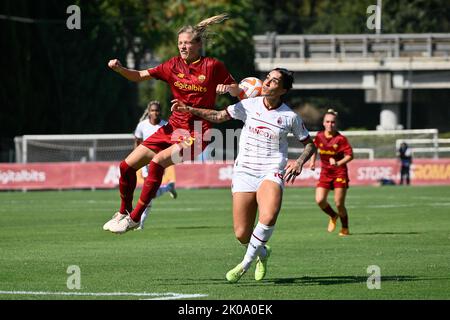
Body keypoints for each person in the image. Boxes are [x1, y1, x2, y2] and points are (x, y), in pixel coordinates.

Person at [171, 68, 316, 283]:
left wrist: (300, 161)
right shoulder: (249, 105)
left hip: (271, 170)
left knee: (267, 217)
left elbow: (309, 145)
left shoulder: (290, 117)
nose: (267, 82)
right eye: (268, 78)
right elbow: (219, 116)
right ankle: (263, 253)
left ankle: (244, 265)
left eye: (274, 81)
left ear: (283, 89)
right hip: (244, 171)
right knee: (241, 234)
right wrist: (189, 109)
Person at [104, 14, 240, 233]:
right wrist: (120, 69)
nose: (183, 47)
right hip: (171, 129)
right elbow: (139, 75)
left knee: (157, 163)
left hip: (198, 133)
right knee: (126, 166)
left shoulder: (213, 66)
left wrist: (228, 89)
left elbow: (237, 89)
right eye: (180, 43)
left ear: (198, 44)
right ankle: (123, 211)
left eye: (187, 43)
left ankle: (135, 218)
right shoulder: (171, 65)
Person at [309, 109, 353, 236]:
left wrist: (338, 163)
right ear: (323, 123)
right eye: (327, 122)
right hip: (325, 173)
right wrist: (312, 162)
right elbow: (313, 149)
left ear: (336, 123)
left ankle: (345, 228)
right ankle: (333, 216)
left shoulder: (340, 139)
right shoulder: (319, 136)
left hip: (340, 173)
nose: (330, 124)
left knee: (339, 203)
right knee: (319, 200)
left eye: (333, 122)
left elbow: (350, 155)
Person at [133, 101, 177, 230]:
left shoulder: (165, 125)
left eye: (157, 110)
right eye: (152, 110)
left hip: (158, 162)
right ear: (149, 111)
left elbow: (171, 143)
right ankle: (140, 223)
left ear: (160, 111)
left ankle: (168, 187)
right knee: (150, 192)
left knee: (150, 193)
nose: (155, 113)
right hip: (144, 161)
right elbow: (137, 141)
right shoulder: (142, 126)